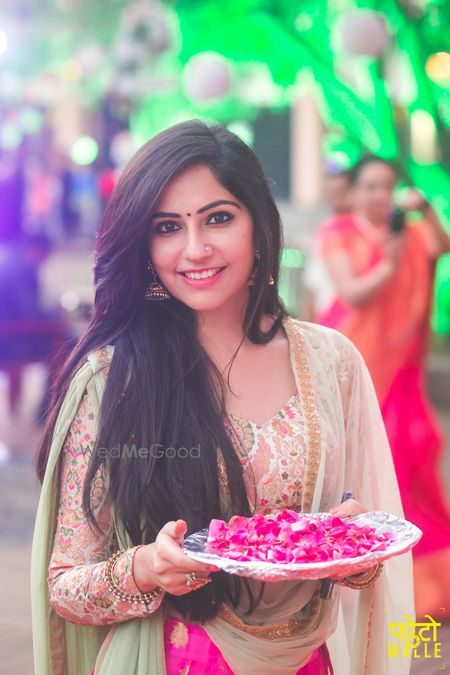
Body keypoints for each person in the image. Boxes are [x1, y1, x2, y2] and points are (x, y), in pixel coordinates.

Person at [31, 123, 414, 675]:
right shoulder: (116, 378)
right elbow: (65, 587)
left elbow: (363, 564)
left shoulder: (332, 362)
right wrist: (145, 568)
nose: (195, 248)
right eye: (168, 227)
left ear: (258, 223)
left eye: (218, 218)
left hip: (304, 659)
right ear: (144, 245)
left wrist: (351, 553)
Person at [309, 155, 450, 618]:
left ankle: (418, 591)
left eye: (387, 187)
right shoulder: (340, 232)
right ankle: (358, 582)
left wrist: (424, 206)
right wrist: (388, 265)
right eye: (370, 186)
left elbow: (442, 244)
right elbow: (351, 293)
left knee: (411, 458)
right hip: (356, 370)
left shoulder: (410, 234)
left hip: (402, 375)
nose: (379, 196)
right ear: (353, 191)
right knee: (361, 471)